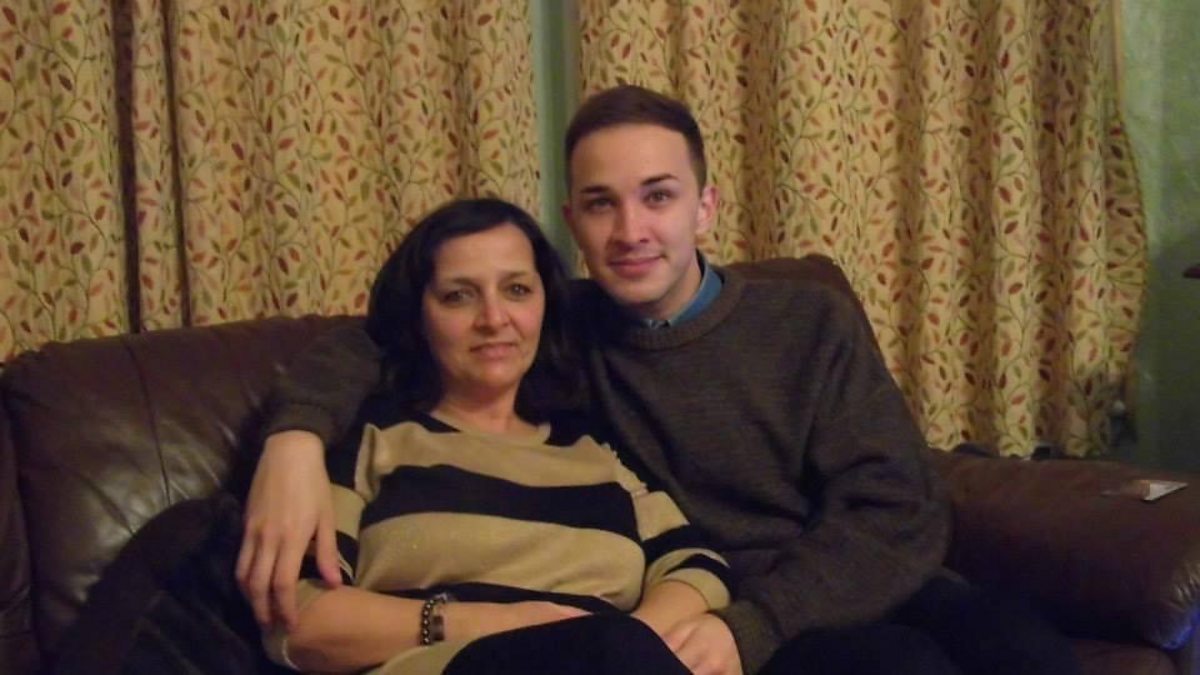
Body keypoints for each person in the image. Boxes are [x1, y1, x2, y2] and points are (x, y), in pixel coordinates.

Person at [238, 86, 1079, 675]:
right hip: (727, 615)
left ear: (704, 207)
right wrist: (294, 438)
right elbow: (385, 334)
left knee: (1023, 647)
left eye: (658, 197)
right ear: (572, 221)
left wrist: (756, 622)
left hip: (831, 585)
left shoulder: (808, 321)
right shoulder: (556, 326)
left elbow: (898, 509)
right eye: (602, 203)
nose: (631, 230)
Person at [257, 197, 730, 674]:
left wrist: (637, 637)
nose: (494, 318)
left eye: (517, 290)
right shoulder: (372, 440)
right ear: (418, 315)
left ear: (546, 304)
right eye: (458, 296)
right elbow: (299, 619)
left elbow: (696, 565)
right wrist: (496, 624)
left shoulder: (594, 450)